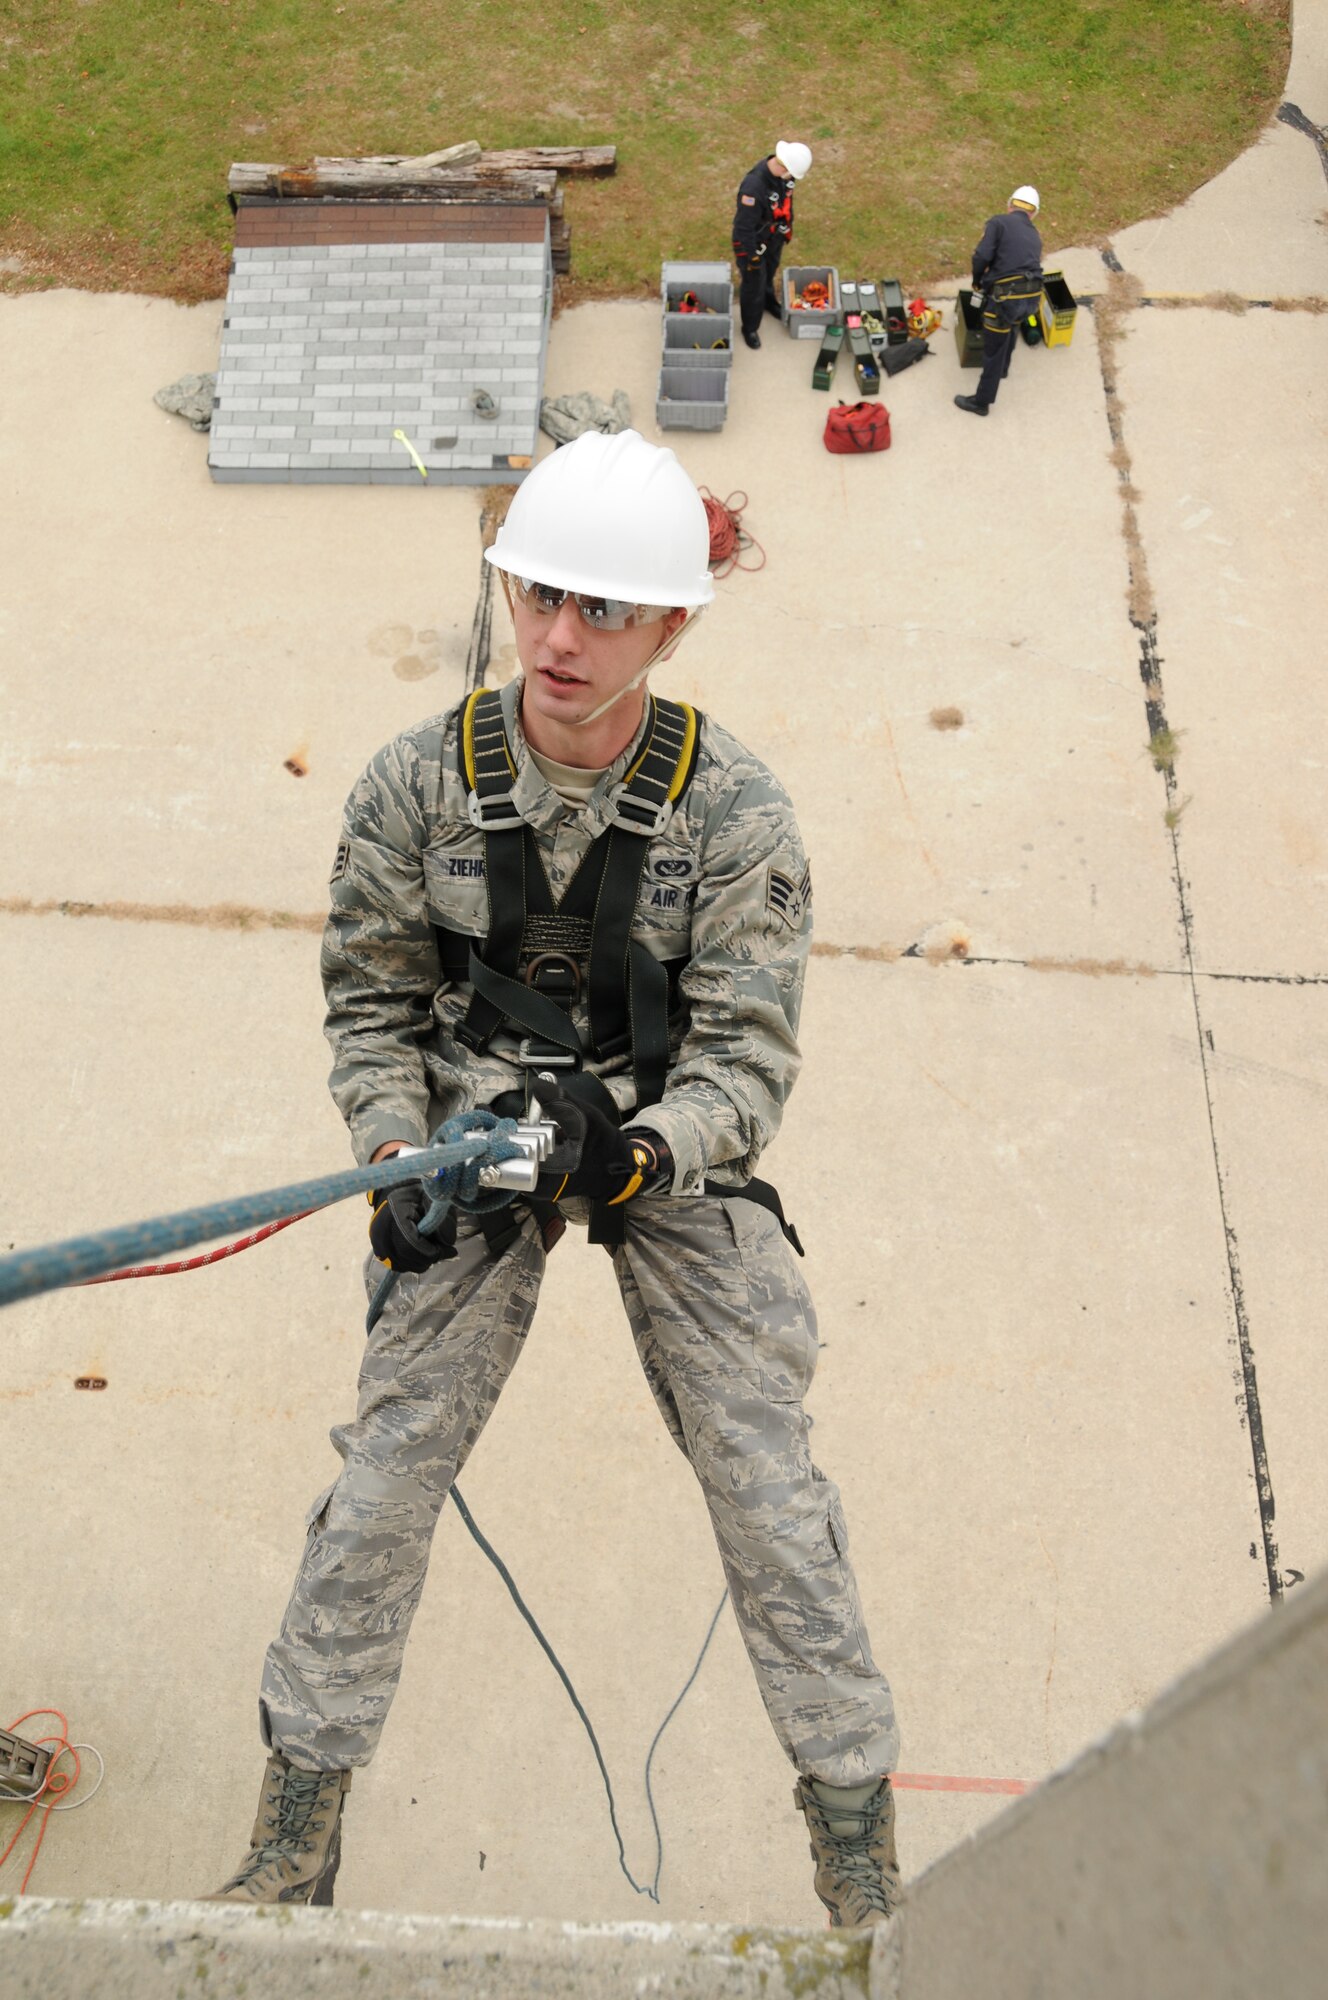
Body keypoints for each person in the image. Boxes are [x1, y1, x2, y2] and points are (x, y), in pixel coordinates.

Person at [205, 429, 901, 1928]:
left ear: (672, 626)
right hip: (474, 1123)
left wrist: (639, 1153)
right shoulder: (416, 787)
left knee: (771, 1493)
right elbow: (374, 1004)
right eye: (538, 598)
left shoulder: (739, 819)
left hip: (662, 1149)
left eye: (603, 612)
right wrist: (396, 1153)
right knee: (382, 1482)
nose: (558, 640)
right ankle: (293, 1840)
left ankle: (858, 1847)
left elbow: (748, 1069)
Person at [954, 185, 1043, 416]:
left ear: (1009, 204)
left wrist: (977, 281)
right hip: (1032, 299)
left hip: (1005, 298)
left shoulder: (998, 222)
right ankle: (1003, 369)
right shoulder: (1034, 234)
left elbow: (982, 256)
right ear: (1033, 213)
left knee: (992, 350)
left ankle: (981, 402)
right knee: (1011, 328)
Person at [731, 141, 813, 349]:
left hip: (773, 238)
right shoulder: (753, 188)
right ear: (783, 167)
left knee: (769, 274)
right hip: (753, 245)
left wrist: (786, 231)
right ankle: (750, 327)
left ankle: (768, 302)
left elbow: (786, 204)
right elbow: (743, 229)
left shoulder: (784, 178)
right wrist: (753, 257)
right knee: (753, 285)